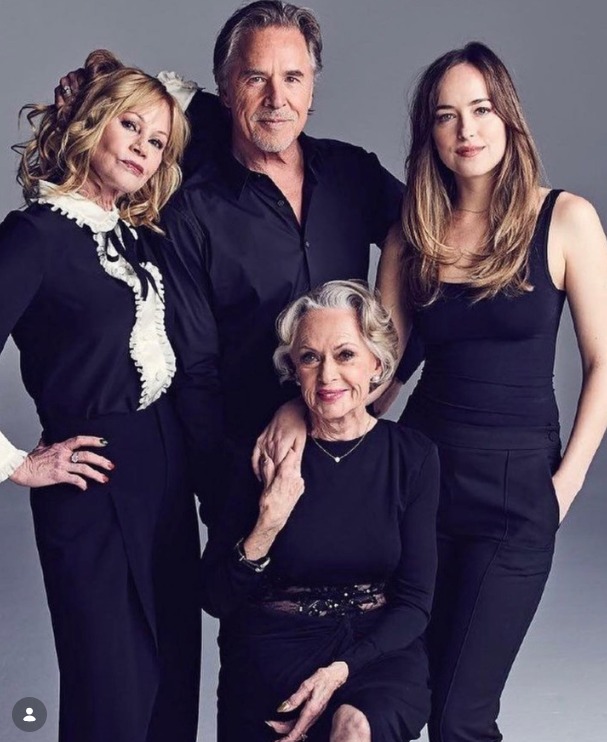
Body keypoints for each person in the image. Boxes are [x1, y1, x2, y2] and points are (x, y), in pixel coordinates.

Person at [375, 42, 607, 742]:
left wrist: (565, 485)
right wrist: (308, 419)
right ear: (430, 133)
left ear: (507, 116)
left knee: (460, 717)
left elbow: (602, 362)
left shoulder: (565, 219)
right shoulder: (410, 233)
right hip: (420, 478)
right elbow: (380, 376)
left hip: (516, 491)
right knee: (398, 697)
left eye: (480, 110)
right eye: (446, 116)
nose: (466, 130)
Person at [0, 50, 202, 742]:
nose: (144, 149)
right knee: (111, 702)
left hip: (165, 480)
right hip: (91, 485)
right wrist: (17, 463)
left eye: (158, 142)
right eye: (130, 126)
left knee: (170, 695)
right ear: (92, 122)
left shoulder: (138, 238)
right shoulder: (33, 236)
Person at [151, 1, 403, 518]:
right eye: (255, 78)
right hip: (252, 466)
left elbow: (435, 247)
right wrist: (219, 490)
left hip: (356, 454)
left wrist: (387, 379)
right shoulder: (192, 212)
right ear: (225, 91)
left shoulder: (353, 173)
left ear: (312, 89)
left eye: (292, 78)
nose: (276, 99)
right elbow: (196, 372)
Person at [200, 280, 439, 742]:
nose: (328, 375)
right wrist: (268, 522)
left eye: (345, 355)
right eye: (310, 357)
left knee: (355, 726)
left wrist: (341, 669)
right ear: (295, 370)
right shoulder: (260, 455)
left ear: (377, 363)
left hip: (374, 650)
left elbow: (415, 603)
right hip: (273, 646)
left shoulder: (413, 457)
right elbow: (216, 599)